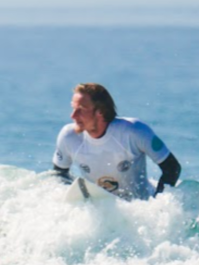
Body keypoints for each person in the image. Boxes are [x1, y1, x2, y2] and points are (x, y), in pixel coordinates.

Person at [53, 83, 181, 200]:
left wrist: (157, 203)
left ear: (100, 112)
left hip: (138, 210)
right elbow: (59, 174)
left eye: (81, 109)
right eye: (73, 108)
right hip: (101, 210)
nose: (73, 115)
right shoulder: (69, 136)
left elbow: (172, 168)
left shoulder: (133, 131)